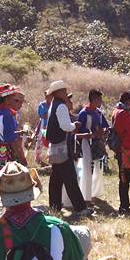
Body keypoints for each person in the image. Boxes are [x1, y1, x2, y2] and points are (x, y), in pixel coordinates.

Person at [45, 81, 88, 216]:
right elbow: (65, 126)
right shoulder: (61, 106)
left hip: (55, 146)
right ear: (57, 92)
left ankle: (55, 207)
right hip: (62, 146)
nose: (65, 93)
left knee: (56, 179)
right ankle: (80, 208)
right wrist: (75, 125)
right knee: (70, 178)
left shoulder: (53, 105)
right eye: (63, 90)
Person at [77, 90, 109, 204]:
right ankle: (86, 195)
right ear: (94, 99)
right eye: (99, 99)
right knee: (87, 169)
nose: (101, 102)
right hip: (86, 144)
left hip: (98, 144)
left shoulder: (98, 112)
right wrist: (90, 134)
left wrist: (103, 132)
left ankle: (95, 193)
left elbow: (105, 126)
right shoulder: (83, 113)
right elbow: (78, 131)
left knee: (98, 168)